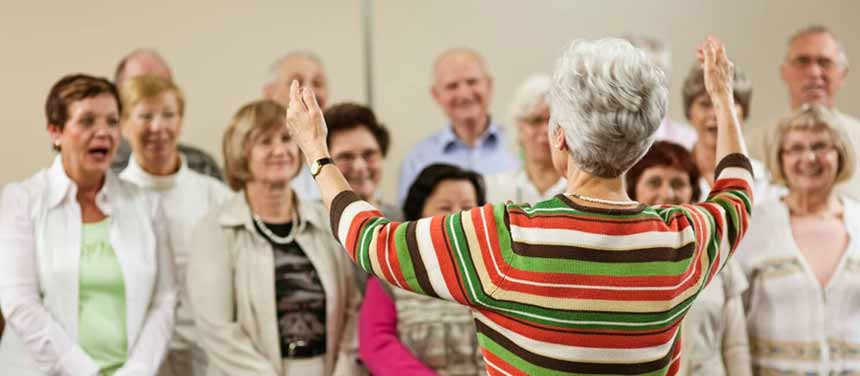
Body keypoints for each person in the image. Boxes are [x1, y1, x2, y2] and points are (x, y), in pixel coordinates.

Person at [286, 36, 755, 375]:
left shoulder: (505, 237)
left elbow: (369, 240)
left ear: (560, 138)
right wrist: (723, 101)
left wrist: (317, 153)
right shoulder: (684, 241)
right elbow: (736, 189)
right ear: (643, 145)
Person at [0, 74, 176, 375]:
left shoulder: (146, 204)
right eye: (87, 121)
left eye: (111, 121)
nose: (103, 132)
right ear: (55, 131)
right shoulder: (21, 201)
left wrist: (138, 370)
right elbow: (19, 302)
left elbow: (165, 299)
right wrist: (86, 372)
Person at [187, 99, 359, 376]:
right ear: (240, 152)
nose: (279, 150)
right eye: (265, 142)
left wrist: (343, 370)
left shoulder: (326, 220)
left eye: (286, 139)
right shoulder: (215, 229)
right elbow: (217, 330)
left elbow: (352, 309)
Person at [117, 75, 232, 376]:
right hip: (136, 354)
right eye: (145, 116)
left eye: (168, 115)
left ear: (180, 121)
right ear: (124, 125)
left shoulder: (215, 196)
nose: (158, 127)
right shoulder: (111, 199)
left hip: (207, 350)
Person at [736, 104, 859, 374]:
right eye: (796, 148)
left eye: (821, 146)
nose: (810, 158)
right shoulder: (754, 227)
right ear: (780, 158)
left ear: (840, 154)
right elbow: (733, 330)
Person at [626, 141, 752, 376]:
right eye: (654, 182)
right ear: (633, 189)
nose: (667, 193)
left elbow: (735, 346)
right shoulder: (620, 252)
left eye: (678, 183)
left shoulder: (718, 250)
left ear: (693, 193)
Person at [360, 163, 486, 376]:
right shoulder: (390, 274)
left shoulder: (494, 274)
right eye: (445, 208)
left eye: (467, 208)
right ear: (419, 213)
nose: (458, 218)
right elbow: (376, 344)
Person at [750, 25, 859, 199]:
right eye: (802, 61)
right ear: (784, 72)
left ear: (843, 73)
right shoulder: (754, 145)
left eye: (825, 62)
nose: (815, 73)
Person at [397, 48, 519, 203]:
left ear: (489, 85)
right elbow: (409, 223)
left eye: (472, 82)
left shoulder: (519, 147)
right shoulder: (417, 159)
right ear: (436, 94)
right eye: (452, 86)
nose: (464, 93)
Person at [111, 49, 223, 180]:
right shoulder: (100, 171)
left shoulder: (202, 166)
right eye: (139, 86)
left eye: (164, 84)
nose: (157, 126)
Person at [681, 63, 785, 202]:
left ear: (744, 112)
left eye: (727, 103)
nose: (715, 114)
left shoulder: (765, 179)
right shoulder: (672, 174)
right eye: (705, 104)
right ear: (689, 112)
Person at [484, 75, 566, 204]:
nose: (546, 130)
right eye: (536, 121)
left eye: (553, 121)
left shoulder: (580, 189)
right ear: (518, 128)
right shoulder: (495, 189)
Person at [263, 51, 331, 201]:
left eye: (318, 83)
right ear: (269, 93)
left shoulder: (342, 149)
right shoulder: (258, 155)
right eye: (297, 83)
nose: (309, 91)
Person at [622, 34, 699, 150]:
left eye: (662, 72)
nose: (656, 82)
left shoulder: (688, 141)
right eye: (644, 72)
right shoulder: (605, 139)